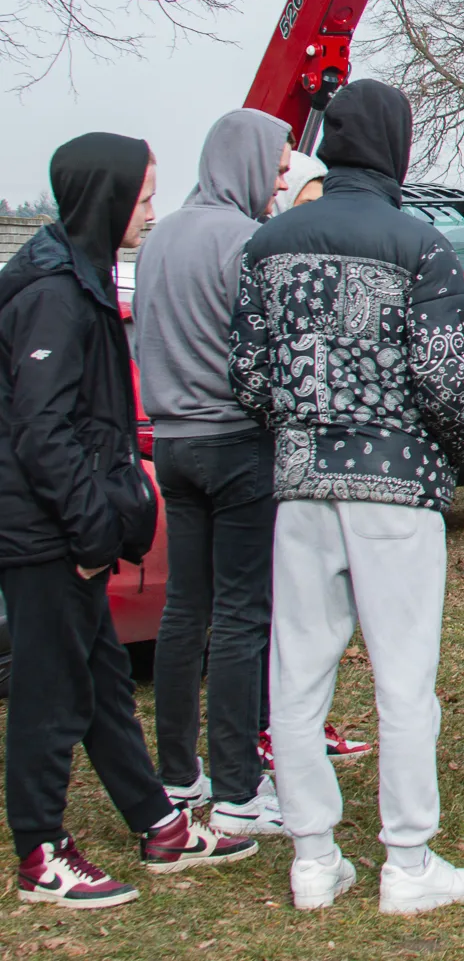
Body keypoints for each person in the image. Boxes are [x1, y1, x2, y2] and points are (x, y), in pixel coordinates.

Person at [231, 79, 464, 913]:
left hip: (302, 477)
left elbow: (248, 372)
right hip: (396, 481)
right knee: (404, 676)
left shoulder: (268, 244)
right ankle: (407, 860)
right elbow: (446, 377)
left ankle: (313, 853)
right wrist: (449, 461)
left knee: (296, 671)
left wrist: (297, 427)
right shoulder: (421, 245)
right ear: (397, 147)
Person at [2, 133, 255, 909]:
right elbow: (42, 430)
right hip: (45, 533)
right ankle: (42, 851)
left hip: (69, 526)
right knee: (53, 694)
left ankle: (155, 819)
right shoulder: (51, 293)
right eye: (143, 196)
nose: (150, 210)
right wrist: (88, 531)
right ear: (108, 199)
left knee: (106, 684)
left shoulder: (75, 278)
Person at [132, 109, 292, 836]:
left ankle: (177, 770)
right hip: (235, 441)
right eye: (277, 162)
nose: (281, 176)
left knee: (182, 609)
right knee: (239, 615)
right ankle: (237, 785)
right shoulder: (249, 241)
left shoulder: (161, 234)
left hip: (170, 441)